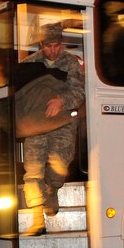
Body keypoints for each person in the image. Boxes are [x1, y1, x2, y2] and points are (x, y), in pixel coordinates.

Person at [21, 22, 85, 235]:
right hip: (36, 124)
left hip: (62, 123)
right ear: (41, 44)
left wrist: (61, 99)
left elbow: (79, 92)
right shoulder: (28, 64)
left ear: (62, 43)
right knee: (33, 170)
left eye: (57, 45)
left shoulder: (71, 63)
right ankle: (37, 219)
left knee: (59, 166)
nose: (53, 50)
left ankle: (52, 189)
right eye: (49, 46)